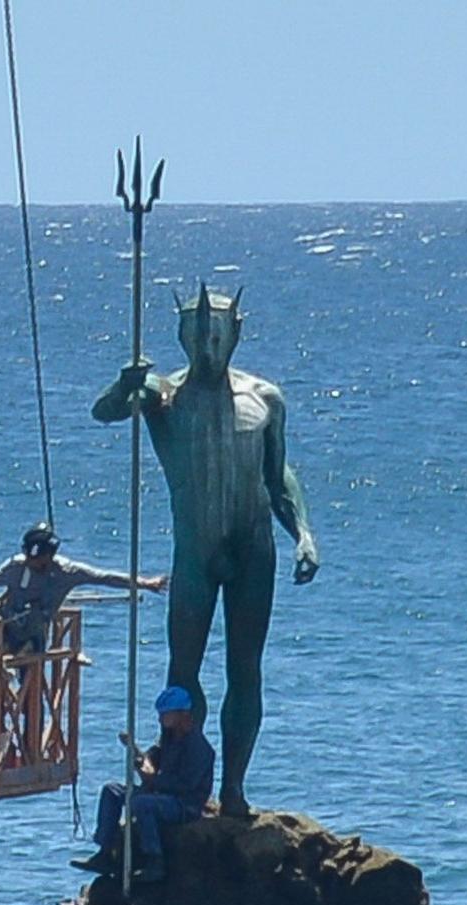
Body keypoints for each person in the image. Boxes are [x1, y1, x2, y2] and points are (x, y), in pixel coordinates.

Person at [91, 284, 320, 816]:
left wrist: (304, 533)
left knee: (246, 668)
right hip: (194, 552)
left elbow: (278, 475)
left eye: (218, 336)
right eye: (199, 337)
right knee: (183, 669)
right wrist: (124, 383)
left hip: (252, 549)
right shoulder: (162, 394)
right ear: (183, 337)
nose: (208, 348)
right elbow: (106, 412)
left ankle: (234, 787)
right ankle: (179, 782)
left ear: (236, 333)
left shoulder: (266, 398)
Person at [73, 686, 213, 883]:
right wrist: (138, 756)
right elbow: (151, 758)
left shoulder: (198, 747)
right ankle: (105, 851)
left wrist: (154, 781)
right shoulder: (168, 738)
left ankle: (154, 860)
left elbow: (186, 785)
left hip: (184, 804)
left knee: (142, 804)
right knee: (112, 791)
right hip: (160, 793)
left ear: (182, 714)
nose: (160, 720)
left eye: (165, 715)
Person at [0, 523, 167, 656]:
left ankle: (30, 708)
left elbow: (104, 577)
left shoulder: (66, 572)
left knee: (31, 687)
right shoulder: (17, 567)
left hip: (34, 638)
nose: (30, 562)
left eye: (35, 557)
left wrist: (145, 583)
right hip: (4, 632)